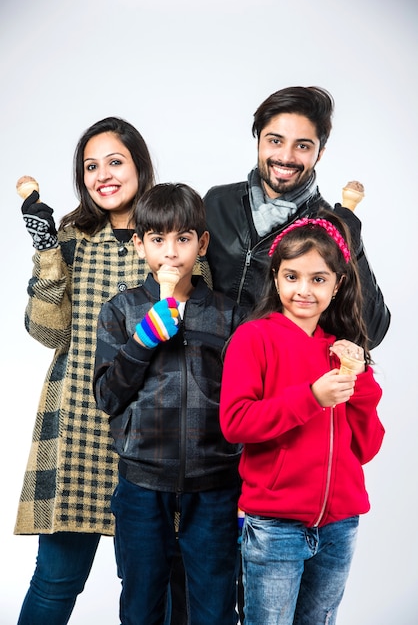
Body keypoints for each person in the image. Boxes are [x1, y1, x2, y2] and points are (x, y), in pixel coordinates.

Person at [15, 118, 201, 624]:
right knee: (55, 581)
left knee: (151, 586)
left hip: (153, 433)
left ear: (139, 164)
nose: (103, 175)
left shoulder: (169, 231)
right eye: (90, 166)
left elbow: (195, 329)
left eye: (114, 161)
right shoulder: (73, 237)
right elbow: (49, 333)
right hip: (78, 420)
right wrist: (46, 252)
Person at [219, 211, 385, 625]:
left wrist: (361, 381)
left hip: (340, 525)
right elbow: (235, 422)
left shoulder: (341, 348)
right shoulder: (253, 338)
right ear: (275, 278)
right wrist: (312, 397)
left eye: (318, 279)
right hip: (275, 526)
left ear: (338, 284)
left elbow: (365, 449)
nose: (304, 290)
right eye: (292, 276)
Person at [93, 182, 245, 625]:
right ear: (140, 244)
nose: (171, 253)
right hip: (142, 483)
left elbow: (242, 400)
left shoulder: (228, 314)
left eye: (183, 239)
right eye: (158, 240)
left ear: (202, 244)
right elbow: (107, 396)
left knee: (215, 605)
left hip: (215, 484)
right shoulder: (121, 310)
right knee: (142, 603)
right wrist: (143, 340)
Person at [204, 85, 390, 350]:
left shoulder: (328, 226)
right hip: (204, 372)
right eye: (275, 140)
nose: (286, 157)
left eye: (302, 146)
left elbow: (371, 332)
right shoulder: (217, 202)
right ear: (259, 141)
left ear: (319, 153)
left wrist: (352, 246)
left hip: (277, 379)